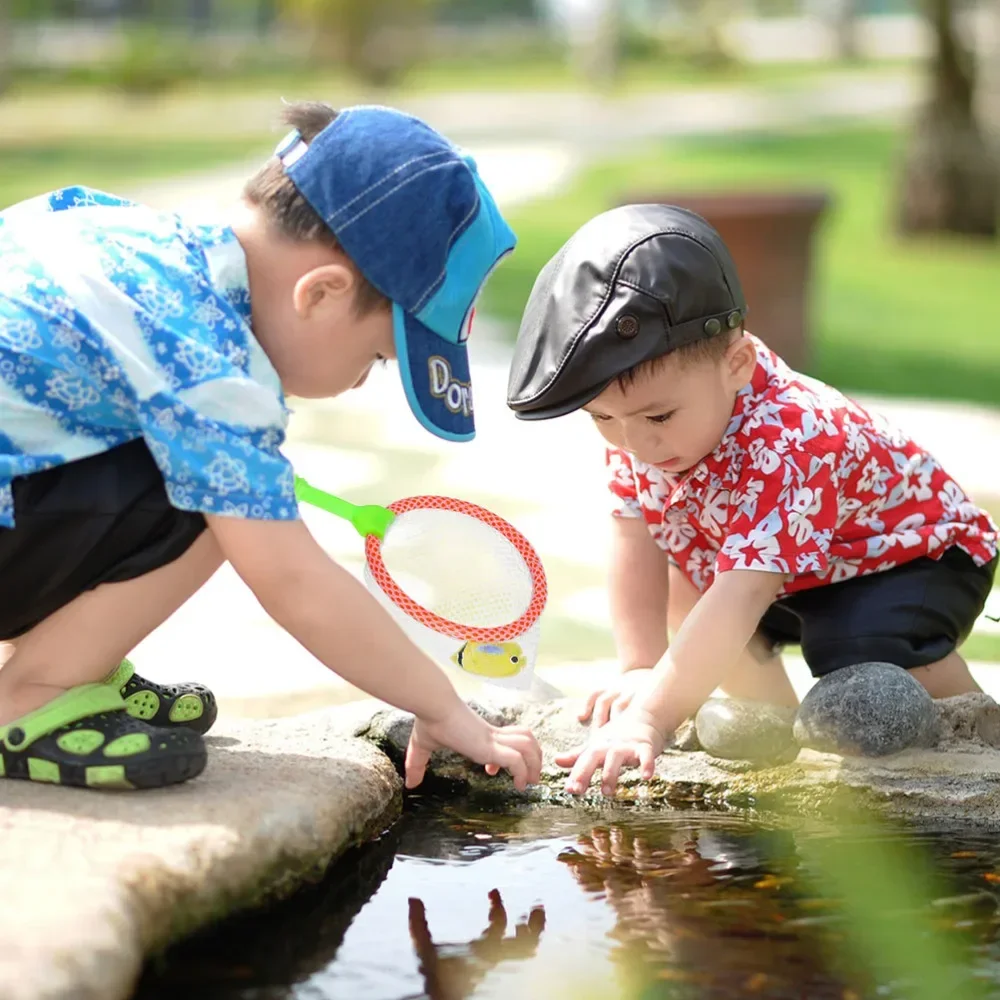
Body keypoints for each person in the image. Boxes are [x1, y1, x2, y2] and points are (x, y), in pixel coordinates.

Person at [0, 101, 541, 793]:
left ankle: (63, 659)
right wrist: (442, 707)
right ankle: (33, 694)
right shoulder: (211, 358)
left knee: (164, 455)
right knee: (229, 503)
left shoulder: (115, 229)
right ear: (321, 293)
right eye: (377, 358)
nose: (357, 384)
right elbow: (291, 581)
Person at [506, 203, 997, 796]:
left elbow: (744, 593)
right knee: (689, 586)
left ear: (736, 364)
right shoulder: (643, 429)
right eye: (602, 418)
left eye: (658, 415)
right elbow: (633, 536)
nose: (635, 442)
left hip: (913, 559)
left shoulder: (792, 436)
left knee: (855, 648)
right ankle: (775, 739)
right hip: (792, 571)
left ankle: (977, 736)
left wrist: (650, 718)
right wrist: (641, 667)